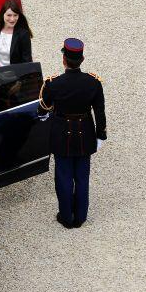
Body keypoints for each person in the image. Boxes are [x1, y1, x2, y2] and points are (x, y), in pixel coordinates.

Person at [38, 38, 107, 229]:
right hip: (85, 134)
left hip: (62, 135)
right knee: (82, 177)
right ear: (82, 59)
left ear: (64, 60)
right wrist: (101, 135)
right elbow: (99, 112)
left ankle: (67, 217)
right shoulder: (93, 83)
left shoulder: (53, 84)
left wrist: (42, 116)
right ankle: (81, 217)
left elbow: (43, 108)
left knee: (64, 177)